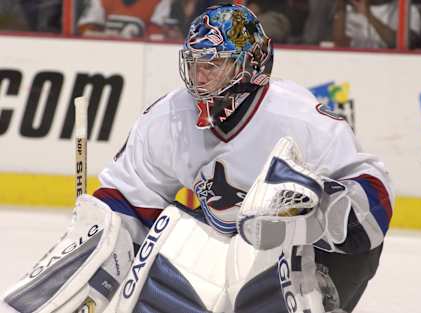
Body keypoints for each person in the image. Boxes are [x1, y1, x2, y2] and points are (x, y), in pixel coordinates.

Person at [1, 4, 393, 313]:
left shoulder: (301, 120)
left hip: (306, 258)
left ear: (252, 65)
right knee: (170, 235)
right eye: (195, 65)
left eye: (214, 66)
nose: (200, 79)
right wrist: (89, 245)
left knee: (279, 271)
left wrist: (317, 212)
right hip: (222, 248)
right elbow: (127, 204)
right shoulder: (168, 119)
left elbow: (374, 201)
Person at [333, 0, 421, 48]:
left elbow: (400, 44)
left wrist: (368, 15)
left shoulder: (407, 9)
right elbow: (339, 46)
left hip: (388, 71)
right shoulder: (347, 11)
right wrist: (341, 9)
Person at [77, 0, 179, 39]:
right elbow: (85, 32)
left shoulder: (160, 2)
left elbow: (155, 38)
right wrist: (110, 36)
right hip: (105, 54)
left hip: (139, 60)